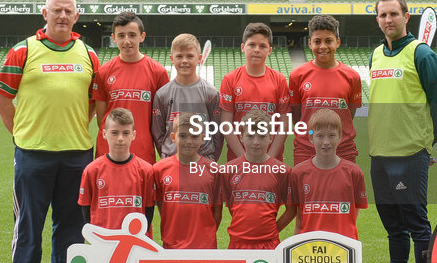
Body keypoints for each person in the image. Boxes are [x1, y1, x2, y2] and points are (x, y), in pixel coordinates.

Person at [0, 0, 100, 263]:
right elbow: (2, 99)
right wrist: (21, 134)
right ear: (45, 13)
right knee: (29, 221)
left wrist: (75, 126)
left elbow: (93, 103)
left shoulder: (88, 54)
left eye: (68, 11)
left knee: (71, 223)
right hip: (32, 154)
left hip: (77, 153)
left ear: (76, 16)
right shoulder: (22, 51)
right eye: (57, 10)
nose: (63, 16)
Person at [364, 0, 437, 263]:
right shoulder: (375, 55)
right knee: (393, 226)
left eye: (393, 14)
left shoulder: (422, 54)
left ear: (406, 16)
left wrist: (426, 144)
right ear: (377, 20)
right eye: (383, 15)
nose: (388, 19)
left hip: (410, 153)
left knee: (416, 223)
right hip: (379, 154)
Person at [92, 11, 169, 163]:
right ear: (113, 38)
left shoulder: (158, 72)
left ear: (142, 36)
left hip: (142, 154)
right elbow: (102, 119)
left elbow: (162, 119)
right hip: (108, 153)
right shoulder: (103, 72)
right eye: (121, 35)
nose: (127, 41)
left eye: (132, 35)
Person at [289, 15, 362, 165]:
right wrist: (310, 135)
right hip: (306, 149)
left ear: (338, 42)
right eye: (317, 41)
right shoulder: (297, 75)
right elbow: (297, 117)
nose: (323, 46)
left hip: (343, 150)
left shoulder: (352, 76)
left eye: (328, 41)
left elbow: (349, 114)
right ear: (309, 43)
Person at [289, 109, 367, 241]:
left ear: (340, 137)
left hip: (343, 245)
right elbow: (299, 217)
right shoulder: (298, 173)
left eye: (331, 135)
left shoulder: (354, 172)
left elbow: (354, 212)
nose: (326, 142)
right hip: (308, 247)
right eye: (320, 136)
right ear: (310, 138)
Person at [221, 109, 294, 250]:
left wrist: (272, 231)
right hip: (237, 243)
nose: (256, 142)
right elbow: (233, 206)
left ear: (271, 137)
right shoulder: (229, 169)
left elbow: (291, 210)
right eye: (250, 136)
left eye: (261, 136)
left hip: (270, 244)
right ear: (241, 137)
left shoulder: (282, 171)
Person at [78, 107, 156, 235]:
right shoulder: (92, 170)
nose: (120, 138)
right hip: (102, 243)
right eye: (114, 133)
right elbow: (85, 209)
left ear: (133, 135)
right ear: (104, 134)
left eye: (126, 133)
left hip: (137, 243)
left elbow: (149, 210)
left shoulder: (145, 171)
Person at [219, 23, 291, 159]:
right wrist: (243, 158)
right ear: (242, 47)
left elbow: (284, 124)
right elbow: (226, 124)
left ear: (269, 50)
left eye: (262, 46)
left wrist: (269, 158)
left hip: (271, 159)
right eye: (252, 45)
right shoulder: (230, 79)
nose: (257, 50)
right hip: (238, 160)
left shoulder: (279, 80)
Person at [151, 113, 221, 249]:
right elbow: (161, 205)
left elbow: (217, 212)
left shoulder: (213, 170)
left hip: (205, 248)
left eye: (194, 136)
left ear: (203, 138)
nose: (188, 141)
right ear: (173, 137)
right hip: (171, 247)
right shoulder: (159, 169)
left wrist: (206, 237)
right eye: (182, 136)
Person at [152, 33, 223, 161]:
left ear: (199, 58)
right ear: (172, 58)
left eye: (190, 56)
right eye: (179, 56)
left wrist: (210, 159)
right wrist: (169, 155)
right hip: (172, 161)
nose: (184, 60)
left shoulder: (211, 93)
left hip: (203, 161)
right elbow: (158, 133)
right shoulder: (162, 94)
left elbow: (217, 132)